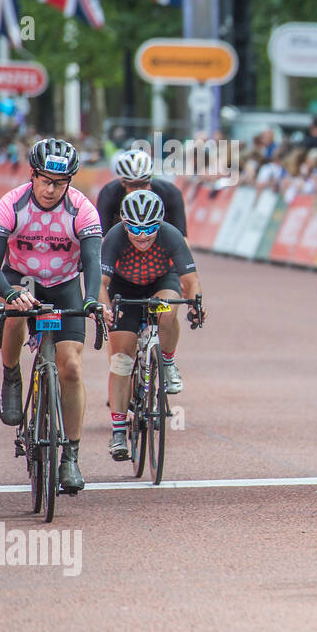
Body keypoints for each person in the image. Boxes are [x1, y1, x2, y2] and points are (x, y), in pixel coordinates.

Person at [0, 138, 103, 492]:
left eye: (60, 182)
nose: (51, 189)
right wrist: (9, 292)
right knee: (15, 310)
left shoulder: (83, 209)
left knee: (72, 367)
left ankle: (70, 457)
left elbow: (93, 261)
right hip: (20, 278)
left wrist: (92, 299)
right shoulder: (11, 204)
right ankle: (11, 377)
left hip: (64, 283)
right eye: (46, 180)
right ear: (33, 175)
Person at [98, 190, 205, 459]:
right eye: (134, 228)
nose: (143, 235)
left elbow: (190, 281)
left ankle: (167, 363)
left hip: (161, 281)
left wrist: (195, 305)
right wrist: (104, 309)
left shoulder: (171, 235)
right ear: (124, 222)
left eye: (150, 228)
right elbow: (100, 283)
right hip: (124, 287)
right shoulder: (113, 238)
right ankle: (119, 432)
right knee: (122, 360)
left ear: (160, 223)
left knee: (168, 310)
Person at [95, 147, 187, 237]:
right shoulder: (109, 194)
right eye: (132, 185)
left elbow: (182, 239)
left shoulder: (170, 193)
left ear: (150, 180)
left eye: (143, 184)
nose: (138, 190)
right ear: (122, 182)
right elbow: (103, 238)